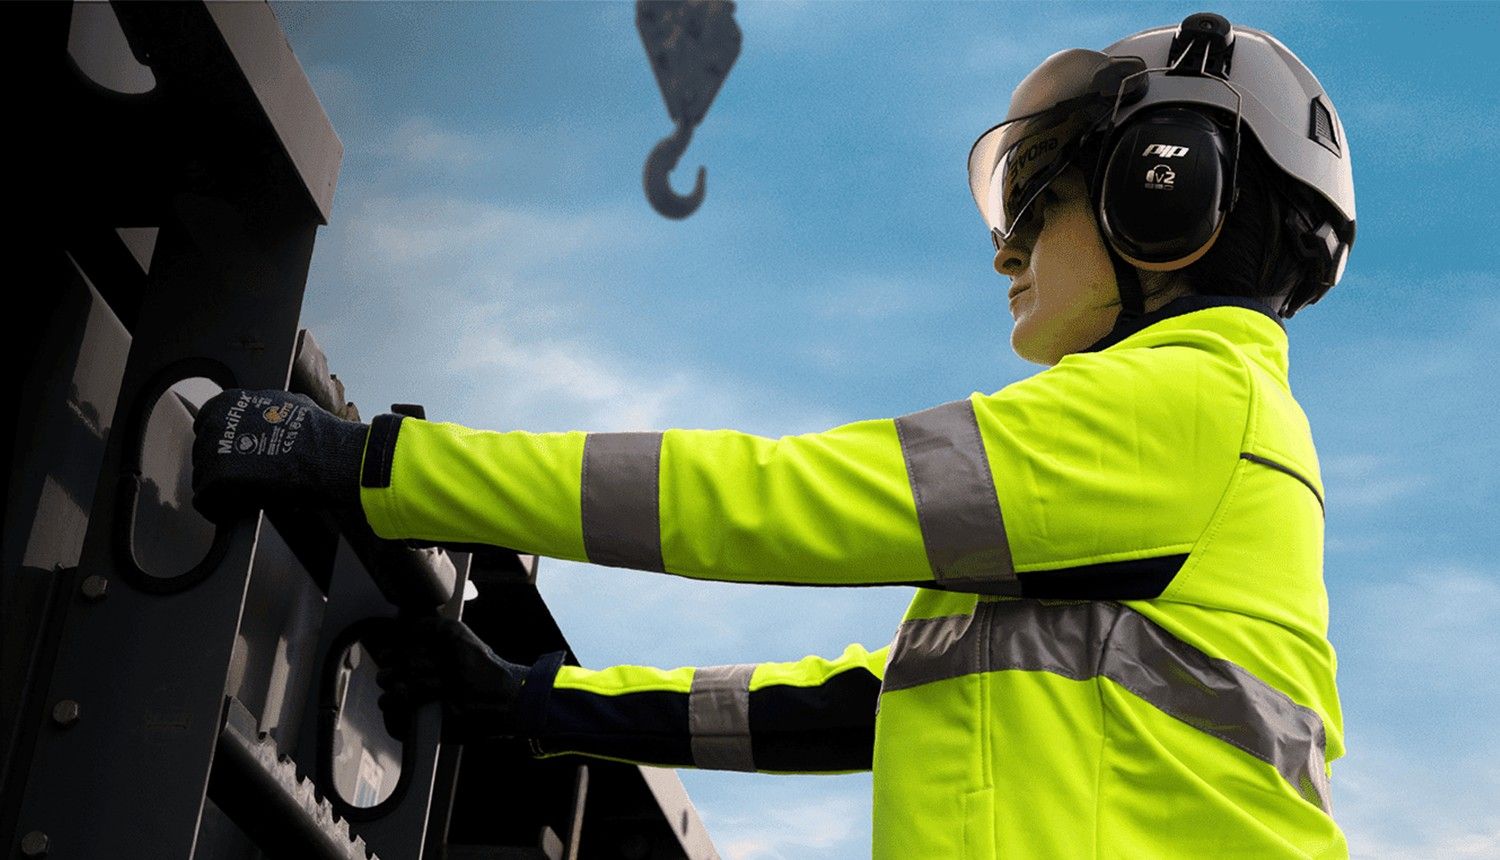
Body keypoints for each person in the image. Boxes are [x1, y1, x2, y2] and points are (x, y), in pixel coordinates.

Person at [191, 13, 1356, 858]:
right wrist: (541, 703)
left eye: (1041, 197)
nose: (1005, 253)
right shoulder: (1198, 444)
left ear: (1166, 194)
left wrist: (376, 468)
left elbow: (769, 496)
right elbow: (861, 701)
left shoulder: (1181, 408)